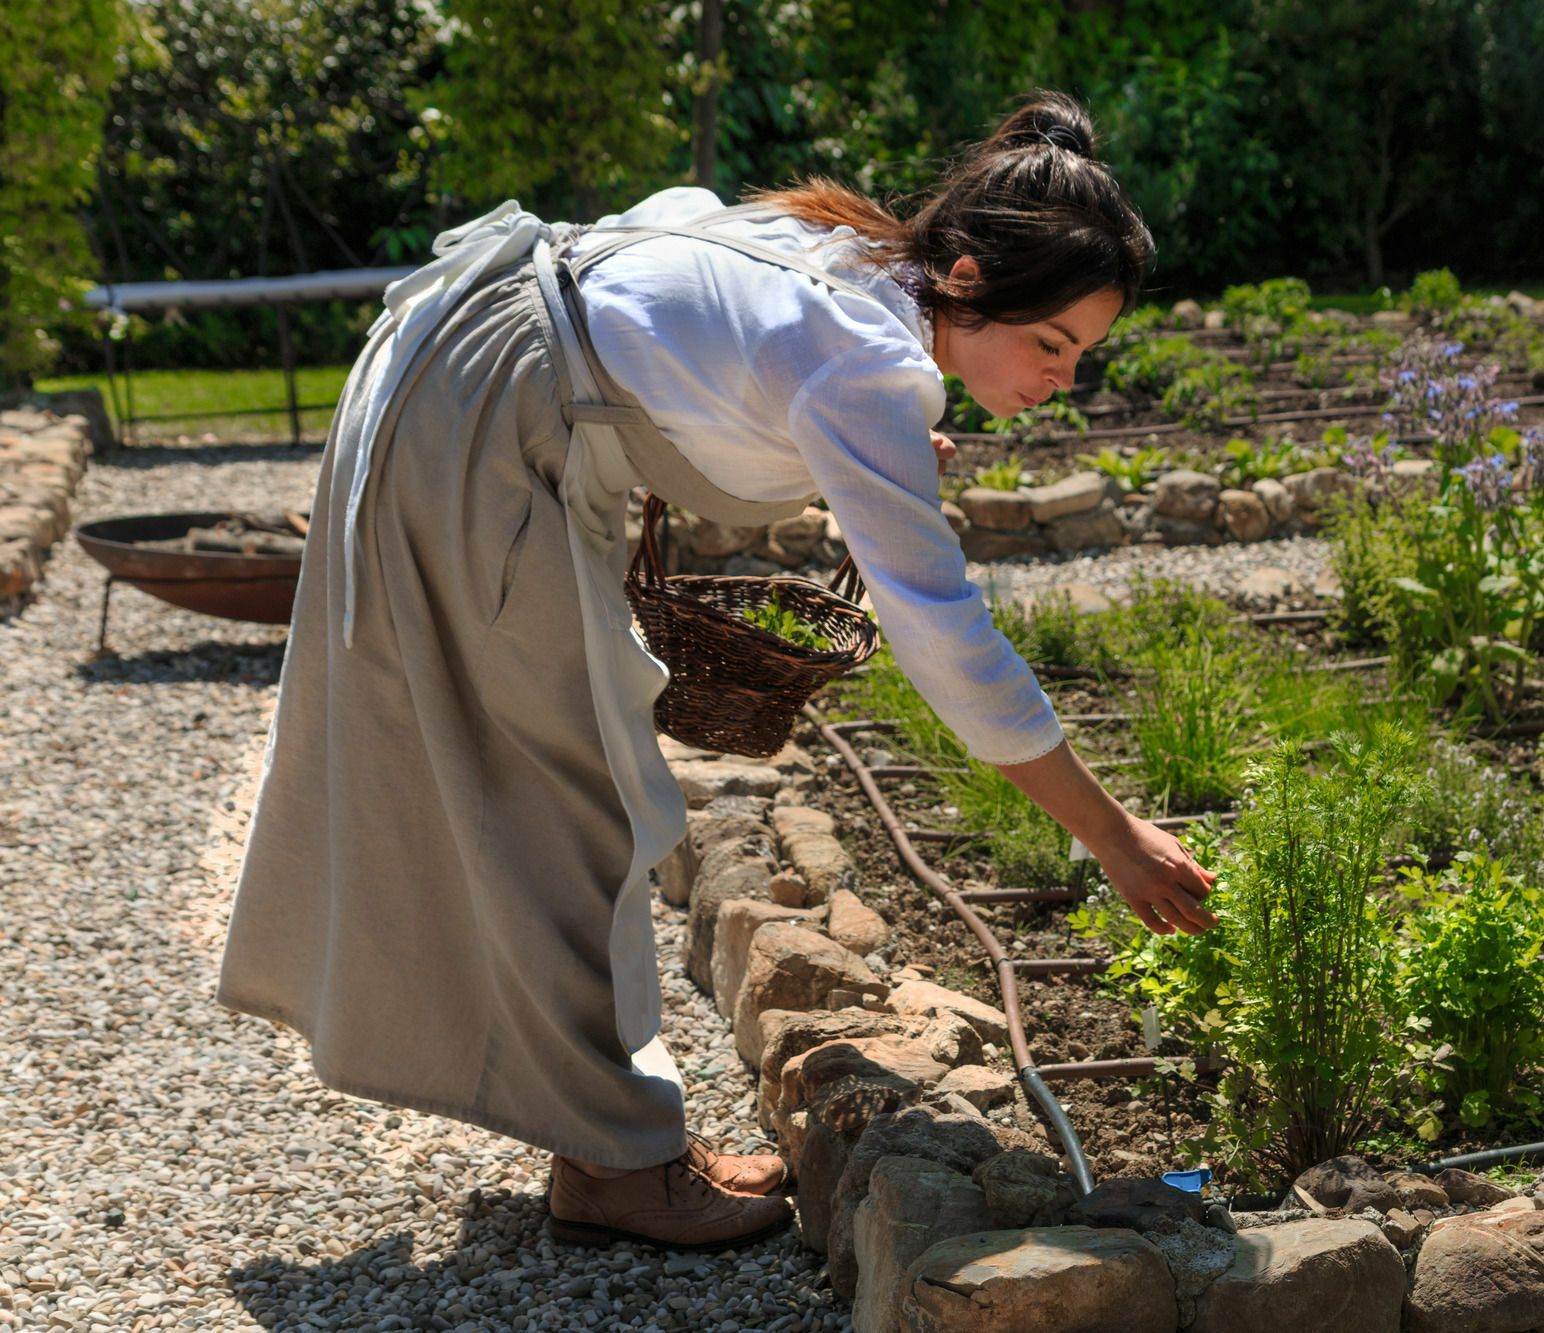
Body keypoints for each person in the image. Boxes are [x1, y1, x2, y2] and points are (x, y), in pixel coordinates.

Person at [217, 92, 1217, 1253]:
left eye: (1079, 355)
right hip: (479, 424)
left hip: (468, 374)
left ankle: (609, 1140)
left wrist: (862, 449)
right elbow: (947, 638)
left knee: (579, 788)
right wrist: (1109, 834)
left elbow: (684, 354)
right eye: (1050, 343)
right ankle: (616, 1163)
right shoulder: (871, 363)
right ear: (959, 277)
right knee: (571, 803)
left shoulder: (851, 255)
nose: (1062, 379)